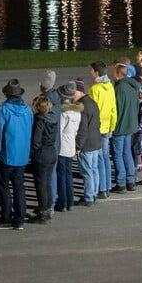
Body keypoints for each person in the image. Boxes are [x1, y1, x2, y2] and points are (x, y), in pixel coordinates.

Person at [0, 79, 32, 231]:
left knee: (3, 186)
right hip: (22, 154)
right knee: (19, 186)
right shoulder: (28, 110)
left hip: (7, 154)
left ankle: (6, 217)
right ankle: (20, 218)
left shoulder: (3, 109)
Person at [87, 62, 116, 199]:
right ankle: (107, 186)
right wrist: (112, 126)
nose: (90, 73)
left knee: (98, 158)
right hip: (106, 126)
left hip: (97, 127)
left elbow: (92, 110)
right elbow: (113, 109)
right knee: (105, 157)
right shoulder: (110, 86)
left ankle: (102, 188)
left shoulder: (95, 89)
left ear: (96, 72)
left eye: (91, 70)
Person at [111, 63, 141, 191]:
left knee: (118, 154)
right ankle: (130, 180)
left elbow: (116, 108)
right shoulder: (132, 86)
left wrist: (113, 126)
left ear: (118, 74)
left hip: (120, 126)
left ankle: (121, 182)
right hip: (130, 125)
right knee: (127, 152)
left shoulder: (119, 88)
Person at [29, 95, 57, 223]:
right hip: (51, 152)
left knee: (41, 184)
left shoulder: (40, 121)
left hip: (42, 155)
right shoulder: (53, 119)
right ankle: (47, 207)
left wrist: (32, 153)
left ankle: (43, 211)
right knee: (47, 183)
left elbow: (36, 141)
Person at [73, 79, 101, 207]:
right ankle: (94, 193)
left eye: (73, 93)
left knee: (87, 171)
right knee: (94, 169)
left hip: (87, 144)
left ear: (79, 92)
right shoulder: (92, 102)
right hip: (96, 142)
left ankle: (89, 196)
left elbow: (83, 129)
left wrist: (78, 146)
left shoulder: (81, 107)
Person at [37, 70, 62, 213]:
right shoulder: (56, 97)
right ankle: (51, 201)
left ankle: (49, 204)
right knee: (51, 174)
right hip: (55, 143)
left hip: (48, 145)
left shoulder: (46, 101)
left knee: (48, 177)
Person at [55, 82, 82, 211]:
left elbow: (59, 131)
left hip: (62, 147)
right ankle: (70, 202)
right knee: (68, 174)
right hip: (71, 145)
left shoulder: (63, 112)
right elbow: (76, 130)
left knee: (61, 175)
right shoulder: (77, 112)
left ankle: (63, 202)